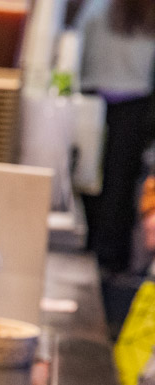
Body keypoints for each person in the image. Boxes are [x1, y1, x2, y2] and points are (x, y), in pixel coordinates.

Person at [77, 0, 155, 277]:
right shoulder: (147, 14)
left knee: (90, 178)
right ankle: (112, 257)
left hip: (95, 99)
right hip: (135, 103)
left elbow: (79, 46)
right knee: (120, 183)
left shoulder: (98, 8)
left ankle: (94, 246)